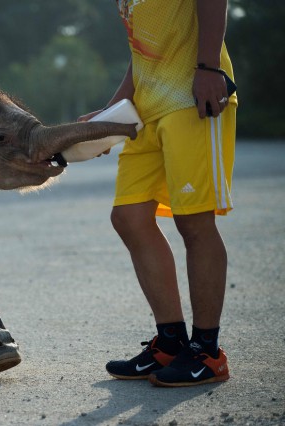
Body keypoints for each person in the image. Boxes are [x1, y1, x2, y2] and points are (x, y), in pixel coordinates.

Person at [78, 0, 237, 387]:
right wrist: (114, 108)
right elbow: (145, 51)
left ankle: (207, 351)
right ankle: (170, 342)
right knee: (129, 217)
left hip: (192, 95)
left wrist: (209, 67)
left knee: (193, 219)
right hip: (146, 104)